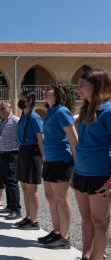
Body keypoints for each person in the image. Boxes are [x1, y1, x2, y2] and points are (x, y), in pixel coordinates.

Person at [72, 69, 111, 260]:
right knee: (86, 219)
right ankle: (86, 255)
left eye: (81, 85)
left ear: (96, 87)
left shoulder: (108, 111)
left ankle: (97, 257)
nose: (77, 88)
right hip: (81, 173)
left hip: (100, 175)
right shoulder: (86, 110)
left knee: (99, 221)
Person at [40, 82, 77, 249]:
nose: (44, 91)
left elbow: (73, 139)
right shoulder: (51, 111)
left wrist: (77, 165)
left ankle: (65, 237)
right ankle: (56, 232)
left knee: (62, 200)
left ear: (57, 93)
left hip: (61, 161)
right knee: (50, 197)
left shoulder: (62, 111)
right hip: (50, 160)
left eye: (48, 89)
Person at [15, 91, 44, 230]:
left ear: (31, 101)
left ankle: (35, 220)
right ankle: (28, 217)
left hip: (33, 153)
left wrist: (44, 158)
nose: (20, 102)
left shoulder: (35, 117)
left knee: (32, 189)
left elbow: (40, 139)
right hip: (23, 151)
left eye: (23, 99)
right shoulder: (24, 116)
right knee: (25, 187)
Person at [0, 101, 21, 220]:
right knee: (6, 181)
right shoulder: (0, 122)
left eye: (4, 108)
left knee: (12, 181)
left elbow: (19, 138)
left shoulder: (16, 120)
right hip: (1, 154)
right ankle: (10, 205)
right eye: (0, 109)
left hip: (12, 154)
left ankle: (16, 209)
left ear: (10, 107)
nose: (2, 110)